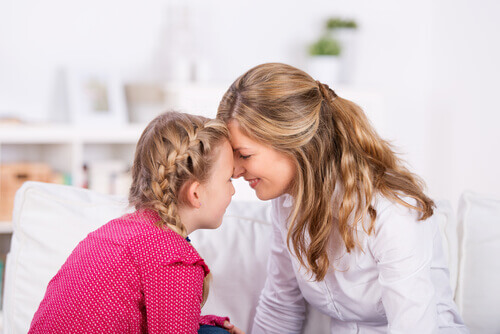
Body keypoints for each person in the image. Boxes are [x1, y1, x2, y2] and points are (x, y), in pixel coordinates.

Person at [217, 63, 469, 333]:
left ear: (294, 143)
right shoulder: (286, 203)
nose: (234, 170)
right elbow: (281, 305)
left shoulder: (393, 212)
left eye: (244, 154)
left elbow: (413, 327)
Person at [29, 112, 244, 334]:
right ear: (196, 193)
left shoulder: (116, 232)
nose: (233, 189)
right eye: (228, 179)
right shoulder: (175, 260)